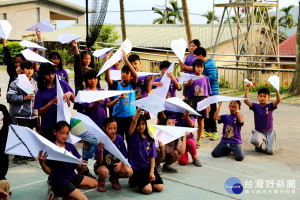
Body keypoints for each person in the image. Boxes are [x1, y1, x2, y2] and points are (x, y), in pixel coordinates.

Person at [38, 121, 97, 200]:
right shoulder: (51, 149)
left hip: (71, 177)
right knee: (83, 199)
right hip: (60, 181)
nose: (64, 136)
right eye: (62, 133)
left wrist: (83, 166)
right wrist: (42, 163)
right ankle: (56, 191)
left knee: (94, 183)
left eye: (67, 133)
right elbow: (49, 172)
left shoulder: (70, 146)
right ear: (55, 132)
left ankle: (67, 192)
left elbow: (78, 168)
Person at [34, 63, 75, 142]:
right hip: (48, 126)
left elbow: (74, 100)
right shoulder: (40, 92)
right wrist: (50, 104)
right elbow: (39, 112)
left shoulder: (62, 84)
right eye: (47, 74)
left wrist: (70, 94)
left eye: (52, 73)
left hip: (63, 124)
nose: (51, 76)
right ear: (42, 75)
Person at [6, 61, 38, 163]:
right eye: (27, 69)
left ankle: (26, 154)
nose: (30, 71)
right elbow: (10, 96)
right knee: (19, 134)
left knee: (29, 134)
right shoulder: (15, 82)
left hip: (32, 113)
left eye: (32, 69)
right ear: (22, 70)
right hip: (20, 113)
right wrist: (24, 98)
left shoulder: (34, 82)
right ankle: (17, 156)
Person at [128, 108, 163, 194]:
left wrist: (152, 171)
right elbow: (133, 122)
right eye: (138, 124)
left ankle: (146, 182)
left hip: (148, 168)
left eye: (143, 124)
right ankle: (134, 180)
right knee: (148, 190)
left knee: (159, 187)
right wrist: (139, 110)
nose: (141, 126)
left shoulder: (150, 140)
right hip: (137, 169)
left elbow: (152, 157)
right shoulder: (133, 136)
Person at [105, 50, 138, 141]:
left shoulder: (132, 85)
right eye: (123, 72)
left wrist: (126, 60)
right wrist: (108, 62)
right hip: (117, 118)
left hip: (129, 118)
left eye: (127, 73)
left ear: (131, 76)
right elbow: (107, 78)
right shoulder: (117, 85)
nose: (124, 74)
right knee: (118, 140)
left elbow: (135, 75)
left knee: (130, 140)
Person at [94, 117, 133, 192]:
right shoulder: (100, 140)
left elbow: (123, 154)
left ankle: (114, 178)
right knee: (104, 172)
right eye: (110, 128)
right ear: (104, 128)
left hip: (115, 165)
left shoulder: (119, 138)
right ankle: (101, 180)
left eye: (115, 128)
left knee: (129, 172)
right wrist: (101, 150)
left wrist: (120, 164)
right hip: (103, 165)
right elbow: (99, 162)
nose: (113, 130)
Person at [244, 84, 281, 155]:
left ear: (268, 97)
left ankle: (270, 142)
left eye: (265, 96)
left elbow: (278, 100)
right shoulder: (255, 106)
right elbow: (246, 101)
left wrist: (276, 90)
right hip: (259, 131)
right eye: (261, 96)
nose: (262, 98)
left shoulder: (270, 106)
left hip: (269, 132)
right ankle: (259, 144)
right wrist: (247, 90)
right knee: (256, 141)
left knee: (271, 152)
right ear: (258, 97)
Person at [184, 59, 211, 148]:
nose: (199, 69)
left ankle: (198, 139)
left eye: (201, 67)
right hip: (193, 100)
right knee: (191, 119)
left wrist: (208, 103)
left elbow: (208, 92)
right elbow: (185, 90)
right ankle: (190, 137)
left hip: (203, 100)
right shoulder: (191, 77)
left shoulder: (205, 78)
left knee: (201, 120)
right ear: (194, 67)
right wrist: (188, 83)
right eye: (198, 67)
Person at [194, 47, 220, 141]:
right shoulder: (204, 64)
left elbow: (212, 76)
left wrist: (201, 80)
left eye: (196, 56)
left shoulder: (210, 64)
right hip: (205, 91)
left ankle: (214, 131)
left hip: (212, 92)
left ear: (200, 56)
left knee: (212, 111)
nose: (195, 58)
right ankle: (207, 129)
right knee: (206, 112)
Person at [170, 100, 202, 167]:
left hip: (188, 139)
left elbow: (192, 125)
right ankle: (185, 151)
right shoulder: (175, 117)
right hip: (179, 142)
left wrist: (187, 117)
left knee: (190, 142)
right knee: (182, 162)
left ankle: (195, 158)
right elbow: (167, 122)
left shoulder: (191, 117)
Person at [0, 87, 12, 181]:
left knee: (3, 162)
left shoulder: (2, 108)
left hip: (3, 142)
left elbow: (9, 124)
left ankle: (3, 181)